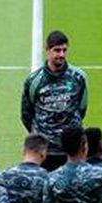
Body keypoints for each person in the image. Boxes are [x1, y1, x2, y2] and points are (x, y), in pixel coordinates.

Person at [21, 31, 88, 171]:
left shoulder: (78, 77)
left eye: (64, 50)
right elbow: (26, 114)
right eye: (57, 50)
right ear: (47, 50)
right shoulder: (34, 80)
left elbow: (82, 108)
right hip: (45, 151)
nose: (61, 54)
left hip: (71, 150)